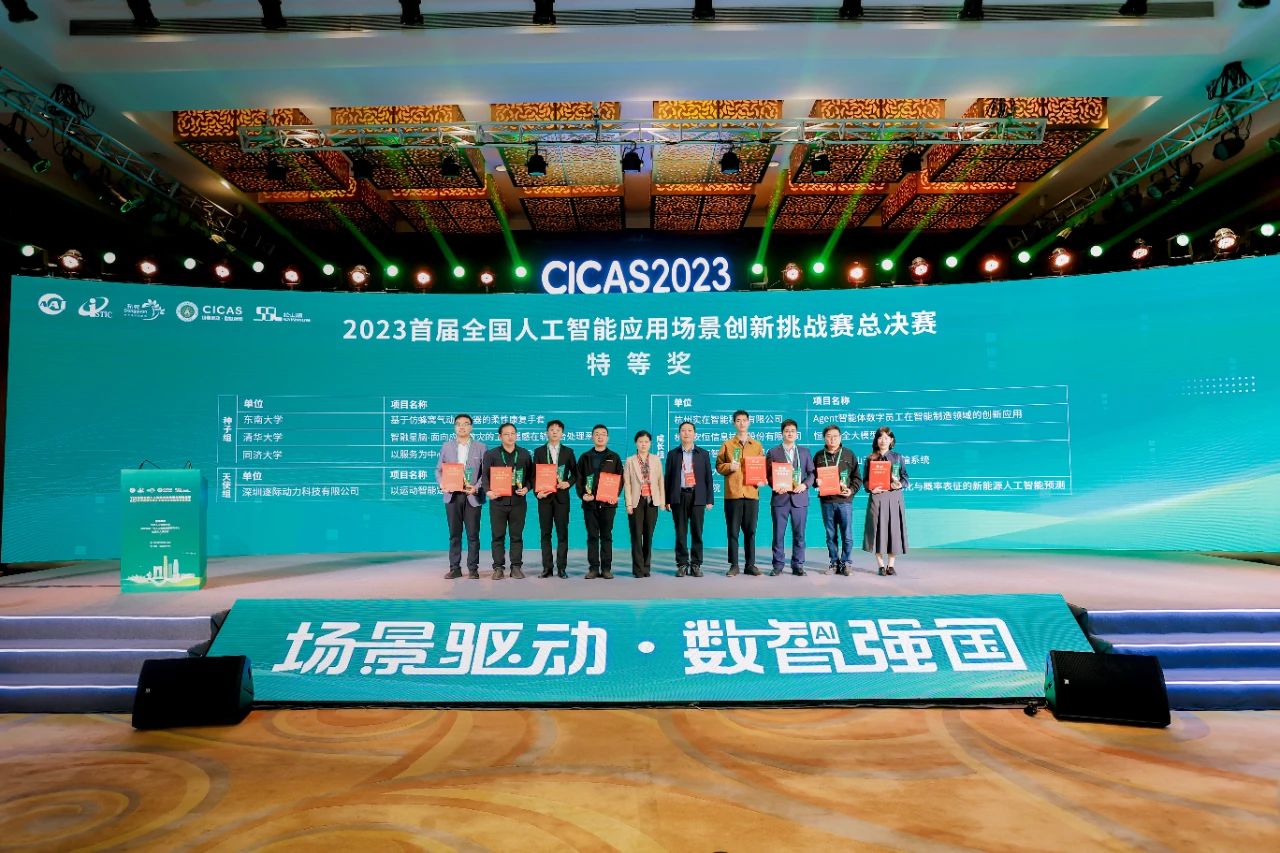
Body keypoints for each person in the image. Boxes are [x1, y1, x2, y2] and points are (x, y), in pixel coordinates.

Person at [478, 422, 535, 580]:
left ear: (516, 435)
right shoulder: (491, 454)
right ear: (500, 436)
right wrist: (488, 491)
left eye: (513, 433)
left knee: (516, 536)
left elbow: (531, 477)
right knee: (498, 536)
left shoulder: (524, 454)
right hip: (498, 502)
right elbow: (485, 476)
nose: (510, 437)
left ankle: (516, 567)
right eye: (506, 434)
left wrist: (527, 488)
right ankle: (498, 568)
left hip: (518, 502)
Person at [435, 413, 486, 579]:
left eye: (465, 424)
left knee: (473, 534)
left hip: (472, 496)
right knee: (454, 534)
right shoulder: (447, 446)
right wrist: (442, 483)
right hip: (452, 495)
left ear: (471, 427)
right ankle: (454, 568)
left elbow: (485, 473)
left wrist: (476, 488)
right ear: (454, 427)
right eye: (458, 424)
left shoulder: (481, 447)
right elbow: (439, 470)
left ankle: (473, 569)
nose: (462, 427)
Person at [716, 409, 765, 576]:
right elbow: (718, 466)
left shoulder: (757, 445)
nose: (742, 423)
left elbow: (761, 466)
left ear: (749, 422)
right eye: (738, 420)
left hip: (751, 493)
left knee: (751, 531)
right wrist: (729, 466)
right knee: (733, 532)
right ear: (734, 423)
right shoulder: (727, 444)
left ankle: (750, 565)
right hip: (733, 494)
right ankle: (734, 565)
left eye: (744, 420)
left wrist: (761, 479)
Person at [765, 419, 815, 576]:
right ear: (782, 433)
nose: (790, 433)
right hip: (780, 498)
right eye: (787, 431)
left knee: (799, 534)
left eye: (792, 431)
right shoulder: (773, 452)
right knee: (778, 534)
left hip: (800, 498)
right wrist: (775, 485)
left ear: (797, 433)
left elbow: (812, 473)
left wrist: (805, 485)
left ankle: (798, 565)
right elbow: (768, 474)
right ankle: (778, 565)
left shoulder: (804, 452)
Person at [664, 421, 714, 578]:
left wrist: (709, 499)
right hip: (678, 496)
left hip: (698, 496)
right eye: (683, 430)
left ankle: (696, 564)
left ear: (694, 434)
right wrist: (667, 499)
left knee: (697, 531)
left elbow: (708, 478)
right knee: (680, 532)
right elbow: (668, 478)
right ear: (679, 434)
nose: (686, 433)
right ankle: (682, 564)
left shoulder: (703, 454)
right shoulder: (673, 454)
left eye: (689, 430)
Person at [576, 424, 624, 579]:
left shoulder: (614, 457)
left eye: (603, 434)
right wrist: (582, 494)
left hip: (608, 504)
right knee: (592, 536)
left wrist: (614, 494)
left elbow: (620, 479)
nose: (600, 436)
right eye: (597, 434)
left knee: (606, 536)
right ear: (592, 437)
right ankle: (593, 568)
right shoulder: (585, 457)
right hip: (589, 504)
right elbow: (579, 478)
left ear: (607, 437)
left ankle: (606, 568)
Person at [862, 426, 909, 576]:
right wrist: (871, 488)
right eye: (880, 437)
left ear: (891, 440)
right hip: (877, 497)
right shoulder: (870, 459)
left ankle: (891, 565)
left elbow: (905, 478)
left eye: (886, 438)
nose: (883, 440)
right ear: (876, 440)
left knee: (893, 531)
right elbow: (865, 480)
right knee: (877, 530)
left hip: (894, 497)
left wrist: (900, 484)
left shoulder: (898, 457)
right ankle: (881, 565)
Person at [533, 419, 577, 578]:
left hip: (562, 499)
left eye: (558, 430)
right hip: (544, 498)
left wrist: (568, 483)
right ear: (547, 432)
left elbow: (576, 474)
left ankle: (562, 568)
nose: (554, 432)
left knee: (562, 534)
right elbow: (533, 475)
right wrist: (537, 493)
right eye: (551, 429)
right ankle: (547, 568)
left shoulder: (568, 452)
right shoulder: (539, 452)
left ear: (562, 433)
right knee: (545, 534)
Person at [815, 424, 861, 576]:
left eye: (835, 436)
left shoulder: (849, 454)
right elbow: (812, 477)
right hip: (827, 501)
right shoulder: (819, 456)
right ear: (824, 438)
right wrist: (816, 482)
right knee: (830, 535)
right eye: (829, 436)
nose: (832, 439)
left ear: (840, 437)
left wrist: (851, 490)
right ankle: (834, 563)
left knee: (847, 534)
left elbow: (857, 478)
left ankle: (846, 563)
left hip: (844, 501)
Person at [624, 430, 666, 578]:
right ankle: (638, 569)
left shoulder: (655, 460)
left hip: (652, 501)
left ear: (650, 443)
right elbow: (627, 484)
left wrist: (662, 501)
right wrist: (629, 504)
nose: (643, 444)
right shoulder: (630, 460)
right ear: (636, 443)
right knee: (636, 535)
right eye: (641, 441)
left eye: (646, 442)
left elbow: (660, 481)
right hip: (636, 501)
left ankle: (646, 567)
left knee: (648, 535)